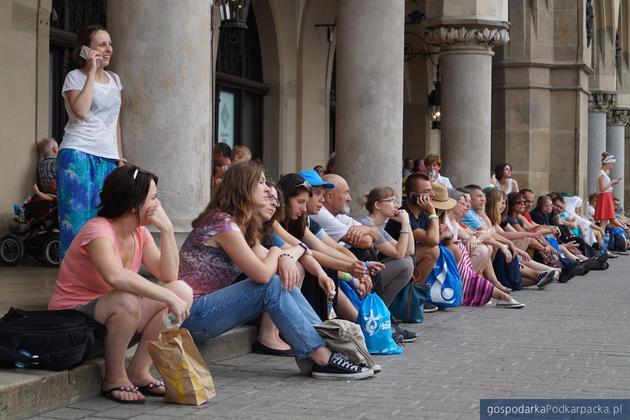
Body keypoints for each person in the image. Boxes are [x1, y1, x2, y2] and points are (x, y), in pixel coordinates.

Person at [178, 161, 374, 380]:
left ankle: (326, 347)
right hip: (191, 314)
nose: (266, 188)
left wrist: (288, 258)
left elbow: (288, 253)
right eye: (260, 182)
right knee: (271, 284)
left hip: (208, 311)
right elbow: (262, 273)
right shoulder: (222, 223)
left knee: (279, 281)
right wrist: (278, 254)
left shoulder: (238, 224)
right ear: (244, 186)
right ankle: (321, 356)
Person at [48, 166, 193, 404]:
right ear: (133, 203)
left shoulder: (139, 233)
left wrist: (166, 230)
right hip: (71, 322)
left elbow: (168, 274)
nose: (158, 204)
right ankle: (114, 377)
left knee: (181, 290)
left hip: (111, 319)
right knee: (127, 298)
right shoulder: (98, 230)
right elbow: (114, 276)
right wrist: (168, 298)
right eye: (153, 198)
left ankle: (138, 371)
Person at [57, 25, 126, 259]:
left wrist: (120, 156)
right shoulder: (74, 77)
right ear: (86, 50)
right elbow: (82, 111)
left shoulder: (115, 80)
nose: (108, 49)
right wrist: (91, 72)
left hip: (107, 156)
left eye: (109, 43)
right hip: (78, 153)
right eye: (101, 44)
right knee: (75, 221)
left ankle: (98, 277)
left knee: (104, 221)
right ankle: (72, 283)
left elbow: (115, 122)